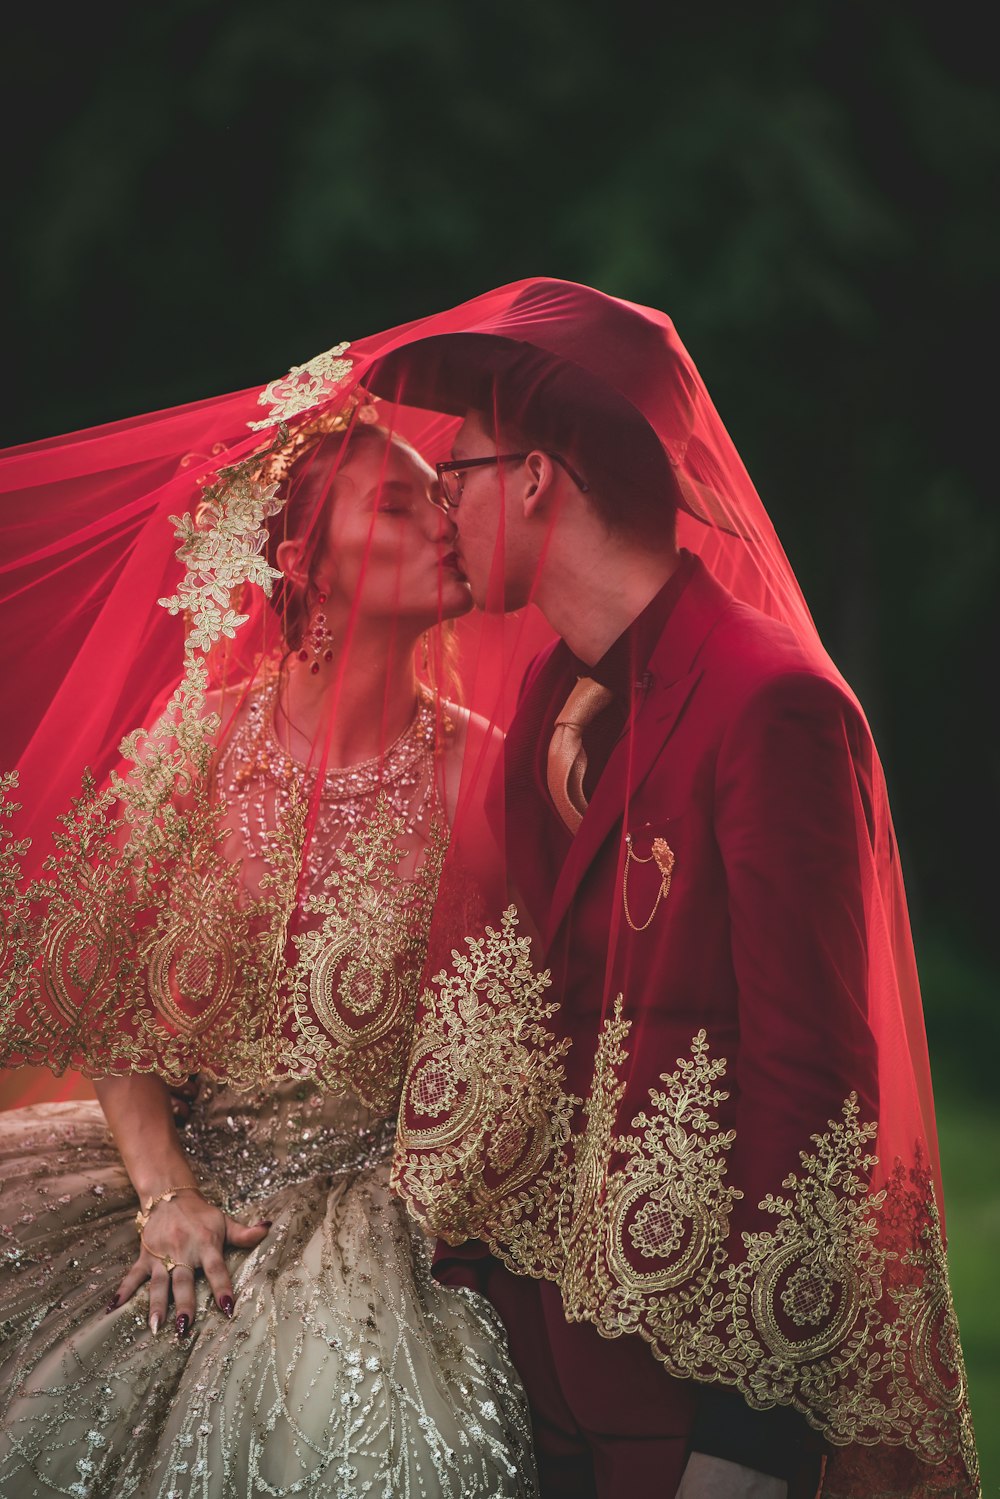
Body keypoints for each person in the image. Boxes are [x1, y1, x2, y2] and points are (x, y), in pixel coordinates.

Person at [365, 279, 981, 1499]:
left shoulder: (773, 705)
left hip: (689, 1400)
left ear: (536, 478)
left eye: (457, 475)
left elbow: (813, 1075)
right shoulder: (550, 691)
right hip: (537, 1366)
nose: (443, 509)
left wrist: (749, 1431)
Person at [0, 393, 538, 1497]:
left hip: (368, 1214)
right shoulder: (194, 748)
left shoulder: (488, 776)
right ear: (307, 560)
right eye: (397, 506)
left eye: (443, 500)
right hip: (173, 1185)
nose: (444, 524)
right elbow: (107, 1004)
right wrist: (164, 1196)